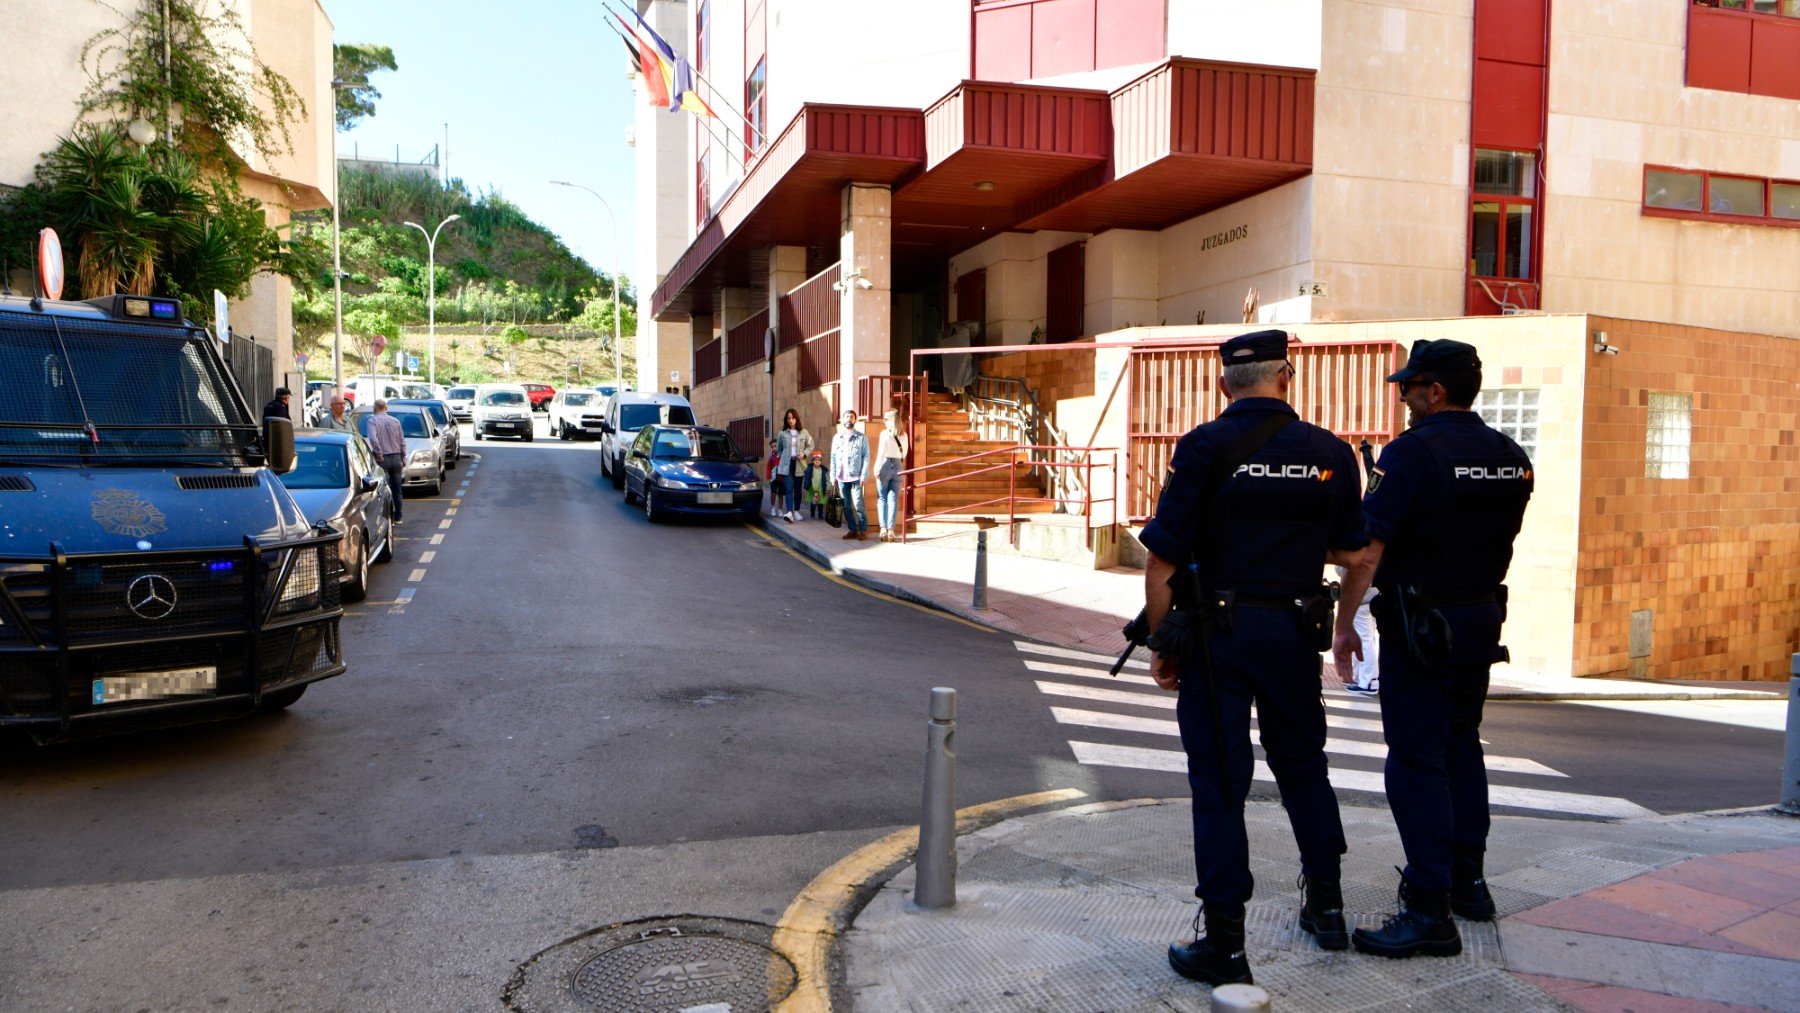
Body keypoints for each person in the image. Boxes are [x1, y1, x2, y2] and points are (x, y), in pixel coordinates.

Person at [1140, 329, 1369, 986]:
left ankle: (1226, 942)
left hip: (1220, 638)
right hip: (1295, 632)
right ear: (1287, 376)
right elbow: (1356, 553)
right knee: (1303, 767)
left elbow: (1162, 558)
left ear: (1223, 384)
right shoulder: (1330, 452)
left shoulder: (1204, 447)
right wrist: (1332, 603)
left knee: (1219, 782)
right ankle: (1326, 905)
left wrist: (1163, 643)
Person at [1331, 338, 1533, 960]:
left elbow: (1368, 551)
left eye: (1409, 388)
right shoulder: (1511, 455)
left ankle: (1427, 909)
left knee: (1416, 760)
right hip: (1480, 619)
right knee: (1460, 747)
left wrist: (1343, 628)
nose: (1404, 398)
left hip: (1422, 626)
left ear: (1435, 390)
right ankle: (1468, 885)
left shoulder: (1412, 454)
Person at [363, 399, 408, 524]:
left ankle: (385, 517)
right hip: (396, 457)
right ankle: (398, 516)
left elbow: (372, 438)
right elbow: (402, 441)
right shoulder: (395, 421)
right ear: (386, 408)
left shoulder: (372, 421)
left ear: (374, 408)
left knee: (383, 490)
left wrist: (378, 452)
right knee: (397, 489)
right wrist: (403, 456)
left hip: (382, 459)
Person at [829, 408, 869, 541]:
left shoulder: (861, 437)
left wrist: (864, 475)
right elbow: (833, 457)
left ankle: (863, 530)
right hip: (841, 477)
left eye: (851, 417)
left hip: (856, 476)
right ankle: (852, 530)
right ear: (843, 419)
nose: (849, 419)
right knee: (846, 505)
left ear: (855, 420)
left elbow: (866, 457)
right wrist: (833, 476)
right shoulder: (837, 437)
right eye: (846, 417)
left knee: (858, 505)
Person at [776, 408, 815, 522]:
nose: (791, 420)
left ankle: (796, 511)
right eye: (788, 418)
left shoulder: (803, 432)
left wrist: (804, 453)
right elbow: (779, 450)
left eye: (793, 418)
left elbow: (811, 445)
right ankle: (789, 512)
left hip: (799, 463)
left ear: (796, 419)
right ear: (786, 420)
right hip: (786, 464)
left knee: (797, 489)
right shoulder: (782, 433)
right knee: (789, 489)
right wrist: (784, 457)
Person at [875, 407, 907, 541]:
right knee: (893, 499)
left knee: (882, 498)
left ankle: (883, 529)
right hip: (899, 466)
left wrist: (876, 468)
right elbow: (905, 453)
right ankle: (891, 531)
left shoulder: (884, 433)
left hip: (886, 464)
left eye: (885, 419)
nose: (884, 421)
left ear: (890, 420)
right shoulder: (904, 434)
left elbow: (881, 453)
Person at [804, 450, 828, 519]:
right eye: (815, 460)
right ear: (812, 461)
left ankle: (820, 516)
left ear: (821, 461)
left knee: (820, 503)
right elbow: (807, 477)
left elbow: (827, 479)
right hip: (813, 488)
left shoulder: (823, 470)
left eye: (819, 460)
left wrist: (828, 488)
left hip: (821, 488)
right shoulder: (810, 468)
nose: (817, 461)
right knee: (813, 502)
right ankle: (812, 512)